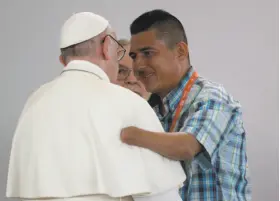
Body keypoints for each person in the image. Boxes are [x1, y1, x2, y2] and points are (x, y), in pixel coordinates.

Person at [6, 12, 186, 201]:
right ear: (106, 48)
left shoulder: (34, 103)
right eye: (117, 51)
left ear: (64, 60)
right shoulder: (128, 103)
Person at [121, 9, 252, 201]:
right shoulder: (151, 109)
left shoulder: (213, 97)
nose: (138, 66)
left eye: (148, 53)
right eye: (134, 56)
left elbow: (187, 146)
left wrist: (128, 134)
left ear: (181, 51)